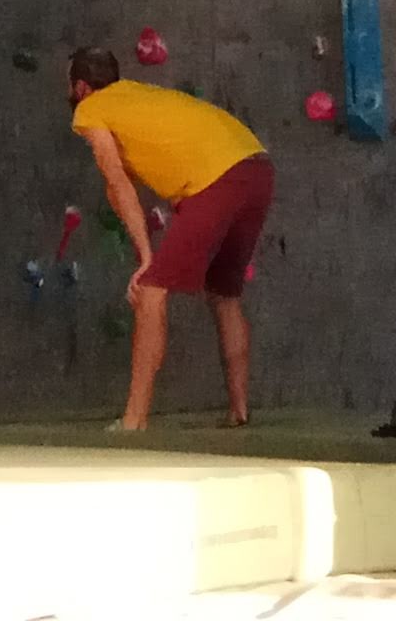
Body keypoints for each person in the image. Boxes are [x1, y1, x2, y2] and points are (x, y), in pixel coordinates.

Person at [67, 46, 273, 429]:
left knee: (151, 291)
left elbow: (117, 180)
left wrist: (146, 259)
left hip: (217, 179)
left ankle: (134, 419)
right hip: (257, 167)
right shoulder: (136, 95)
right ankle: (239, 411)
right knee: (224, 293)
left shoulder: (91, 109)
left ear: (81, 86)